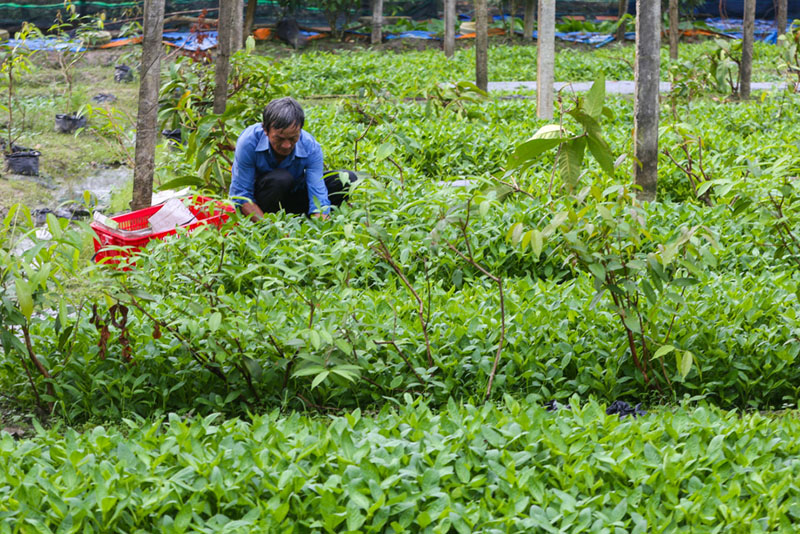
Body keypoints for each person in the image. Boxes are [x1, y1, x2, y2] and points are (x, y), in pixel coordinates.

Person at [229, 97, 356, 221]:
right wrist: (269, 227)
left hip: (292, 198)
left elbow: (317, 191)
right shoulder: (249, 142)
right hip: (263, 199)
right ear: (266, 130)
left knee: (345, 179)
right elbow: (241, 195)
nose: (286, 145)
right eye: (279, 138)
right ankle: (268, 220)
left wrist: (322, 226)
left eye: (293, 138)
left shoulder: (310, 146)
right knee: (281, 179)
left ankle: (299, 219)